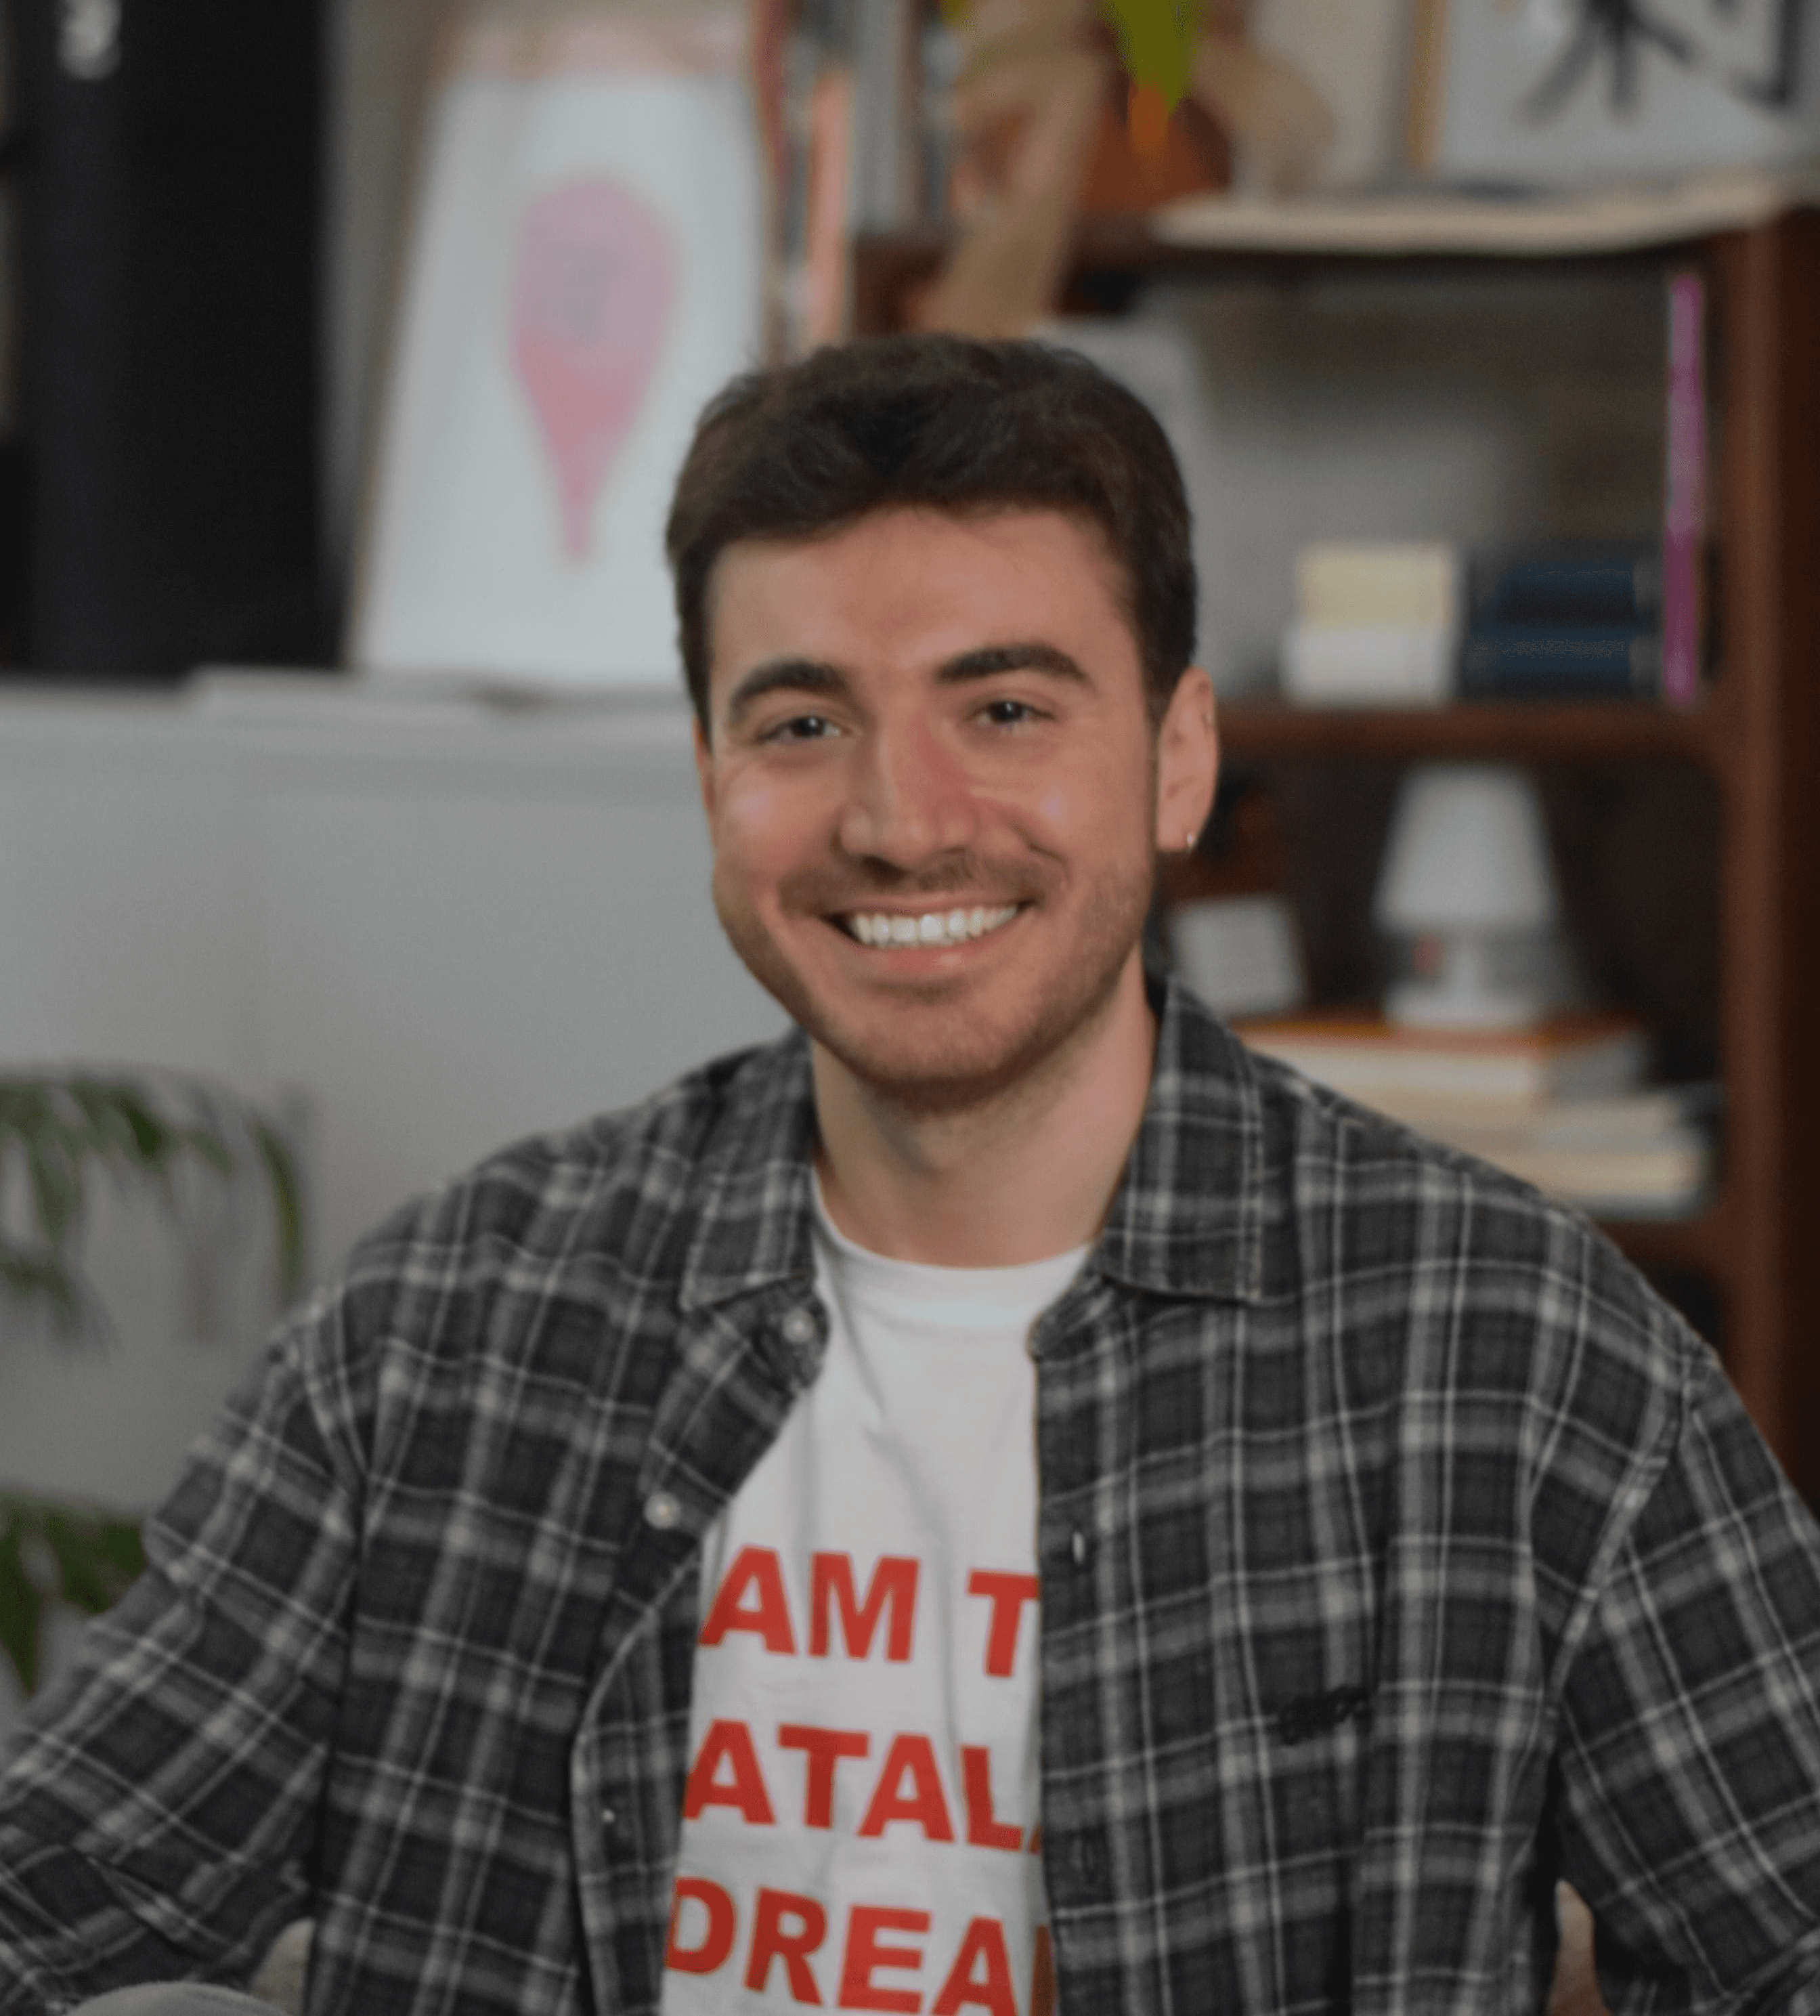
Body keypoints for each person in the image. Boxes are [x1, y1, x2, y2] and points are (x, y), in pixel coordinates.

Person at [3, 333, 1820, 2016]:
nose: (899, 815)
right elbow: (55, 1894)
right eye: (801, 722)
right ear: (712, 772)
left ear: (1180, 761)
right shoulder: (441, 1341)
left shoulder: (1516, 1355)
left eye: (1007, 709)